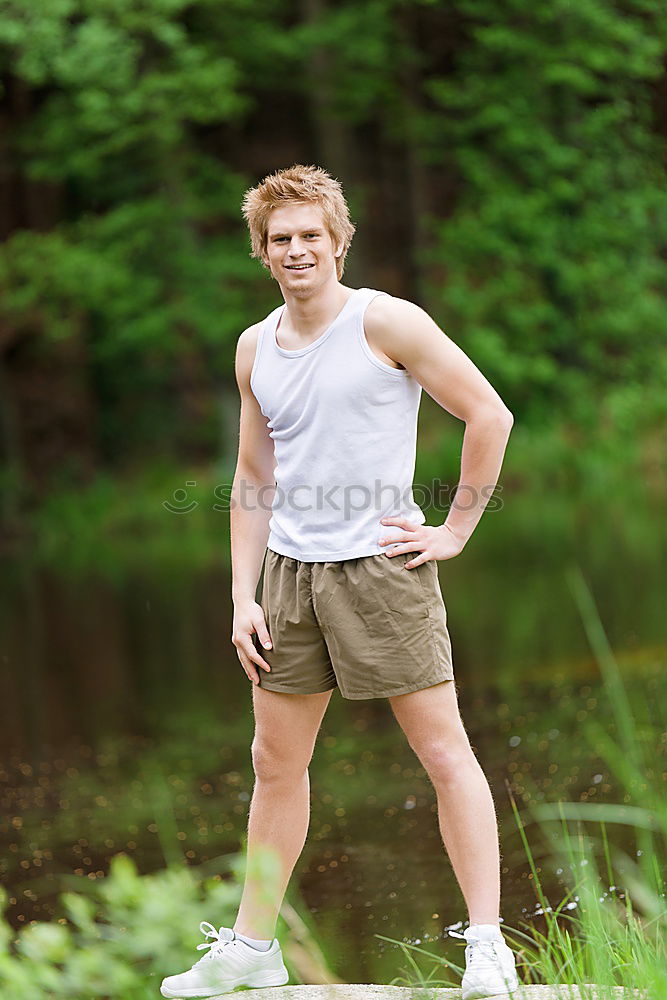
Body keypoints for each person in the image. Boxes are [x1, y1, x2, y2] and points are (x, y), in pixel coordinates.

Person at [160, 164, 520, 1000]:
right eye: (279, 238)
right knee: (273, 764)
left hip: (383, 570)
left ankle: (488, 948)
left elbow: (488, 414)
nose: (295, 250)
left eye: (309, 236)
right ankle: (253, 948)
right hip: (287, 579)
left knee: (442, 753)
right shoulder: (256, 346)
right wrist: (243, 596)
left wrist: (455, 528)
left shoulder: (385, 321)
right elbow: (252, 477)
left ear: (338, 240)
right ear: (261, 250)